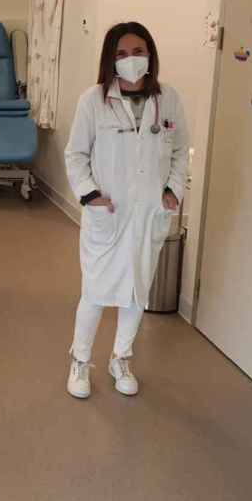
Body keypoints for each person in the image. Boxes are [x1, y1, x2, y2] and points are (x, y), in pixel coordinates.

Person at [64, 22, 189, 398]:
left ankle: (122, 357)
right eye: (120, 54)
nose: (130, 60)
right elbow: (76, 154)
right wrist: (89, 196)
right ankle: (80, 361)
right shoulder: (93, 99)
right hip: (109, 212)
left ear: (150, 53)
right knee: (96, 291)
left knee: (137, 290)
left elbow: (181, 150)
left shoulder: (168, 99)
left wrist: (173, 190)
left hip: (149, 211)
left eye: (137, 51)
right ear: (109, 60)